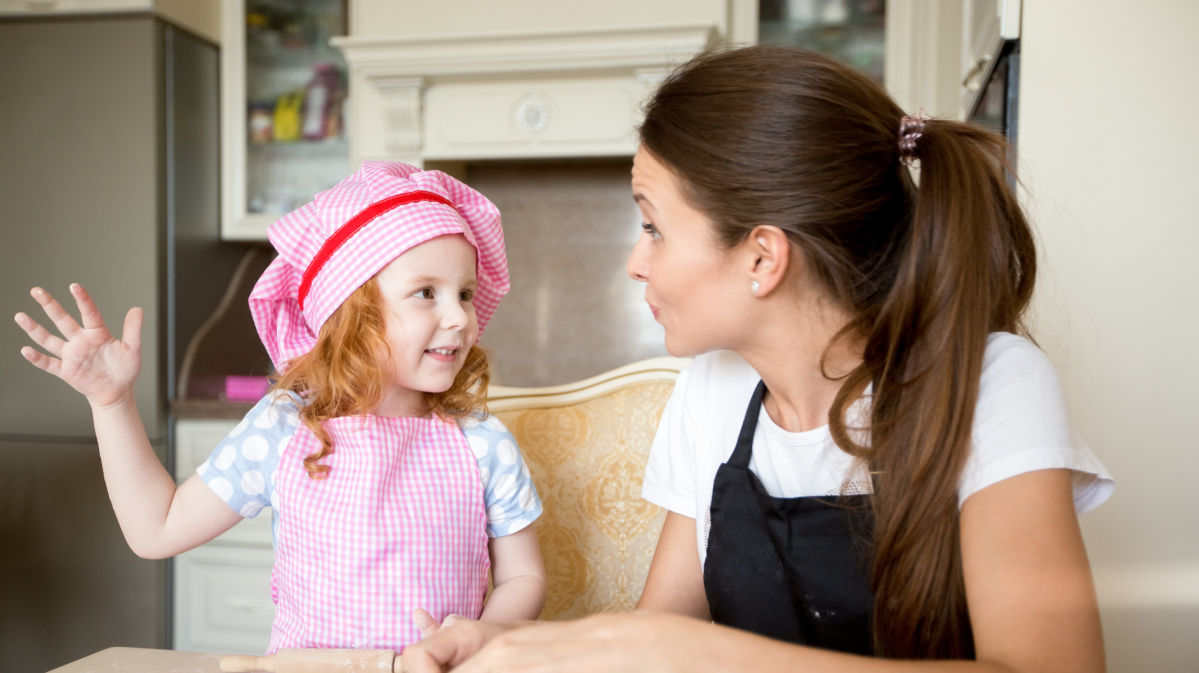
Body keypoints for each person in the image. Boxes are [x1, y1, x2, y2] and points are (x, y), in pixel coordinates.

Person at [401, 45, 1113, 672]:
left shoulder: (990, 384)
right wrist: (511, 649)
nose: (634, 262)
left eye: (653, 226)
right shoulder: (711, 390)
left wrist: (706, 656)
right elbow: (658, 635)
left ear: (762, 257)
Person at [14, 162, 547, 653]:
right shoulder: (285, 426)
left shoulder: (481, 441)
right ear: (349, 313)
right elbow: (157, 529)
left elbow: (523, 578)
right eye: (426, 293)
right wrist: (111, 402)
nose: (459, 317)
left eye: (467, 294)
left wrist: (481, 636)